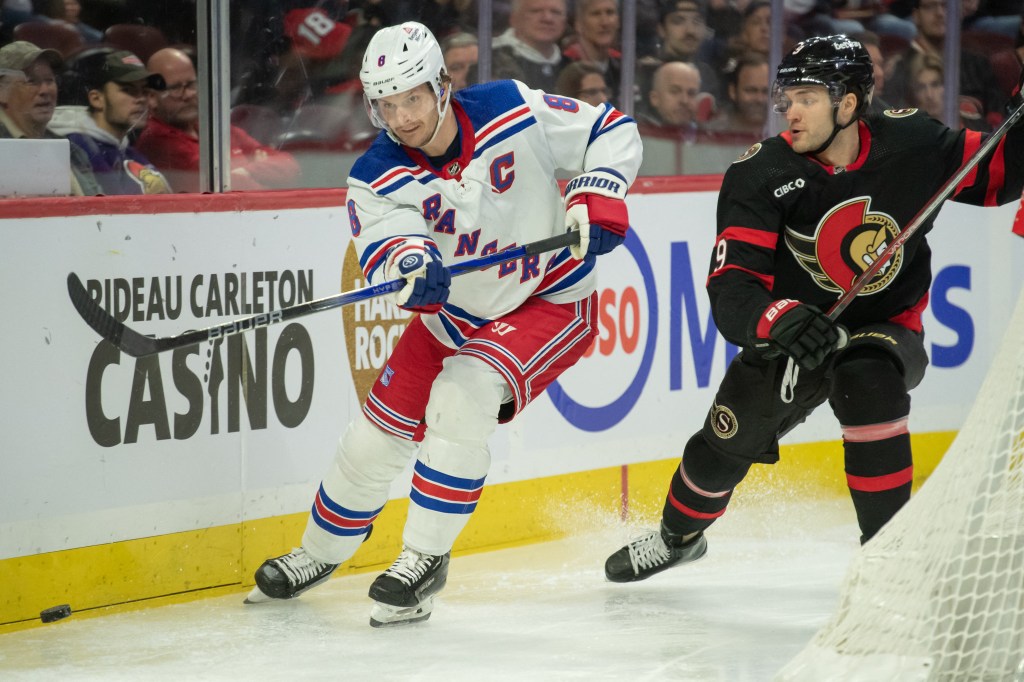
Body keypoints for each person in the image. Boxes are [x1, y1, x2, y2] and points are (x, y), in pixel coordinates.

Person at [246, 20, 641, 627]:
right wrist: (414, 264)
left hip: (549, 298)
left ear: (441, 86)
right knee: (371, 440)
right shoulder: (375, 175)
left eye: (412, 99)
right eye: (386, 105)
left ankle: (423, 560)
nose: (401, 117)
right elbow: (390, 238)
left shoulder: (512, 107)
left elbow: (608, 130)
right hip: (456, 315)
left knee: (465, 394)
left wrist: (599, 190)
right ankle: (318, 555)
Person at [603, 34, 1024, 582]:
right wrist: (778, 318)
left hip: (883, 327)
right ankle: (677, 538)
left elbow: (1002, 177)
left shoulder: (913, 143)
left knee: (867, 380)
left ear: (848, 104)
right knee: (719, 452)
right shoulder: (760, 174)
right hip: (790, 337)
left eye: (807, 98)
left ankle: (886, 556)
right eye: (787, 98)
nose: (790, 112)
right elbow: (732, 290)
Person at [136, 47, 300, 192]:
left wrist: (246, 171)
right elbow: (230, 188)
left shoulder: (211, 127)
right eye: (176, 88)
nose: (189, 94)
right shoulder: (156, 141)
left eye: (191, 84)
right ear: (152, 98)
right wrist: (255, 168)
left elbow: (290, 165)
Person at [49, 50, 172, 194]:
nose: (141, 99)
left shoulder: (126, 150)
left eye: (144, 91)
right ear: (97, 99)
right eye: (128, 90)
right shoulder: (79, 149)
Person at [0, 40, 100, 195]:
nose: (45, 90)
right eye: (31, 81)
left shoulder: (72, 151)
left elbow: (97, 209)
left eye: (50, 80)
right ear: (2, 92)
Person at [484, 0, 570, 92]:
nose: (547, 18)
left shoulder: (570, 65)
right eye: (536, 11)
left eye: (556, 12)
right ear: (513, 18)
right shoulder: (486, 59)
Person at [562, 0, 621, 104]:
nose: (605, 22)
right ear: (578, 24)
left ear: (618, 21)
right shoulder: (563, 66)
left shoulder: (624, 68)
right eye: (596, 14)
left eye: (610, 12)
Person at [706, 51, 769, 137]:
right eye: (751, 90)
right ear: (733, 92)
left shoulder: (789, 132)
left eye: (766, 91)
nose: (760, 99)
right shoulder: (712, 133)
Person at [637, 60, 703, 131]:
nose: (685, 101)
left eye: (691, 93)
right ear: (655, 98)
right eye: (675, 92)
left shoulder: (706, 136)